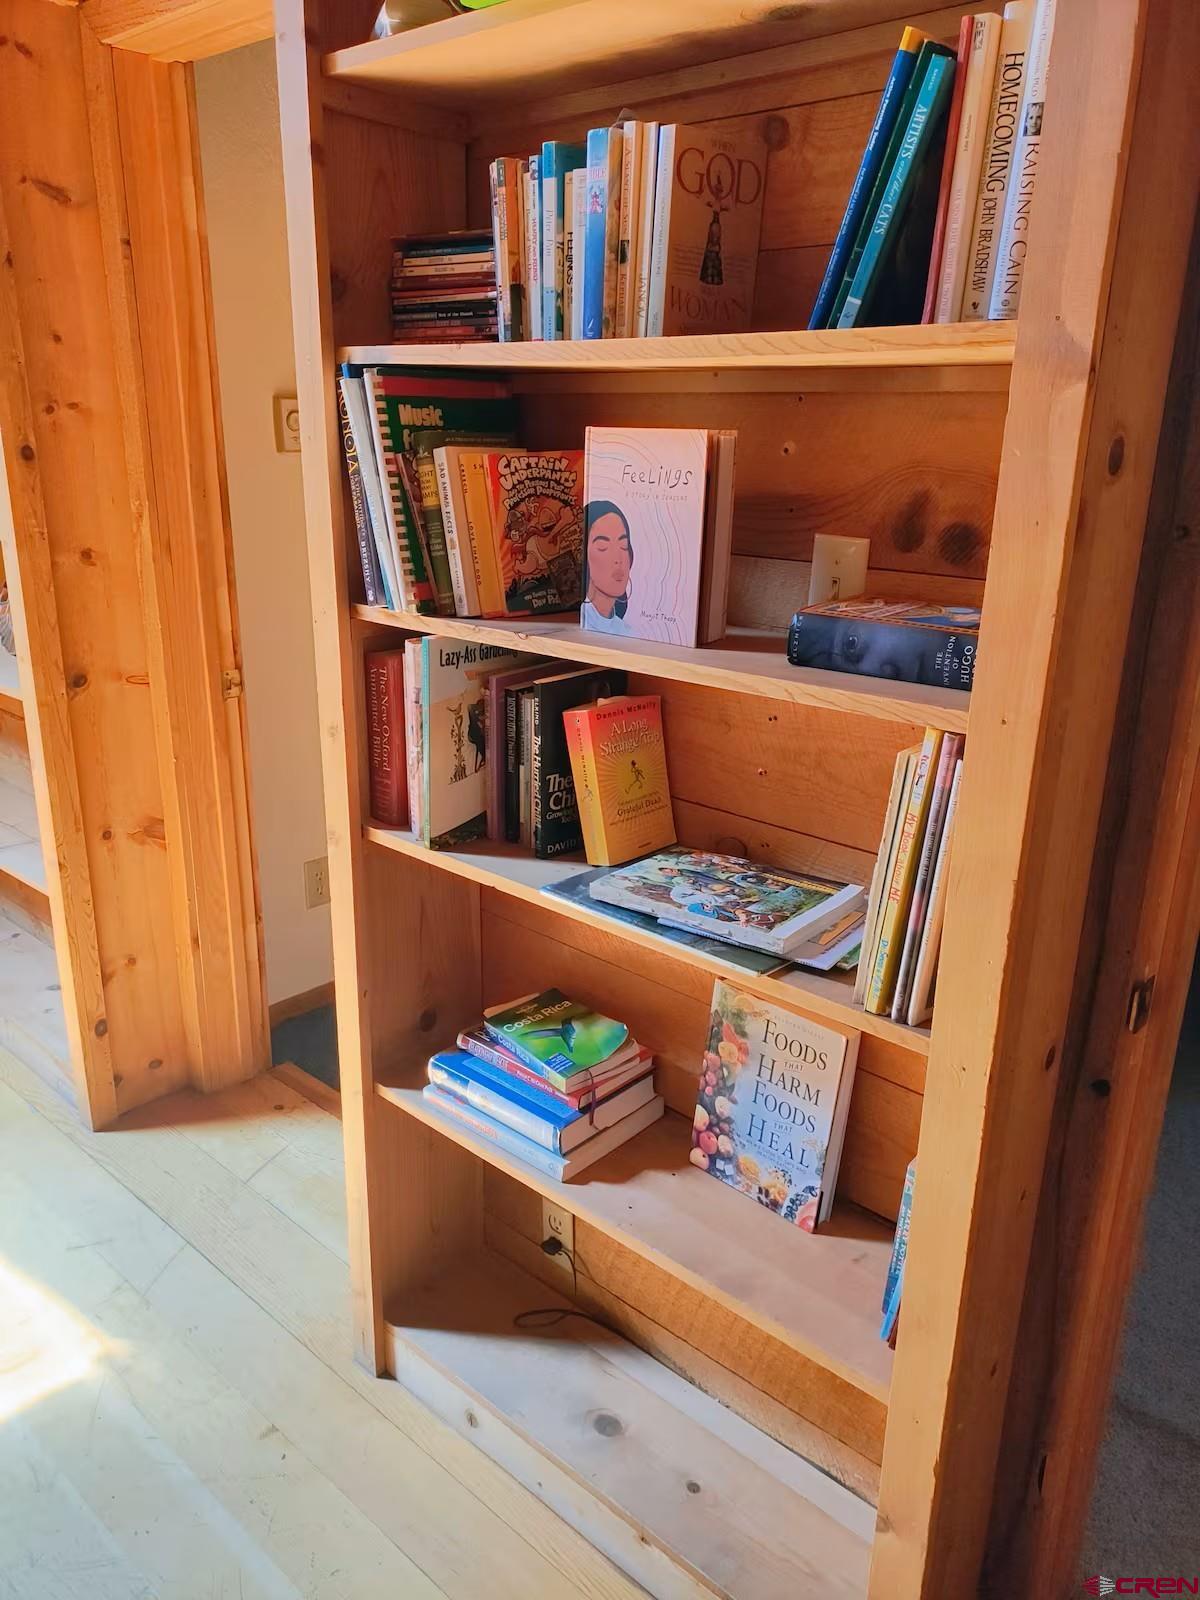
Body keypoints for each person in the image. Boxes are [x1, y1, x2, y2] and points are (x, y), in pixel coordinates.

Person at [581, 499, 633, 635]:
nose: (618, 559)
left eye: (624, 546)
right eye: (603, 547)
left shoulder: (626, 631)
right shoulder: (579, 621)